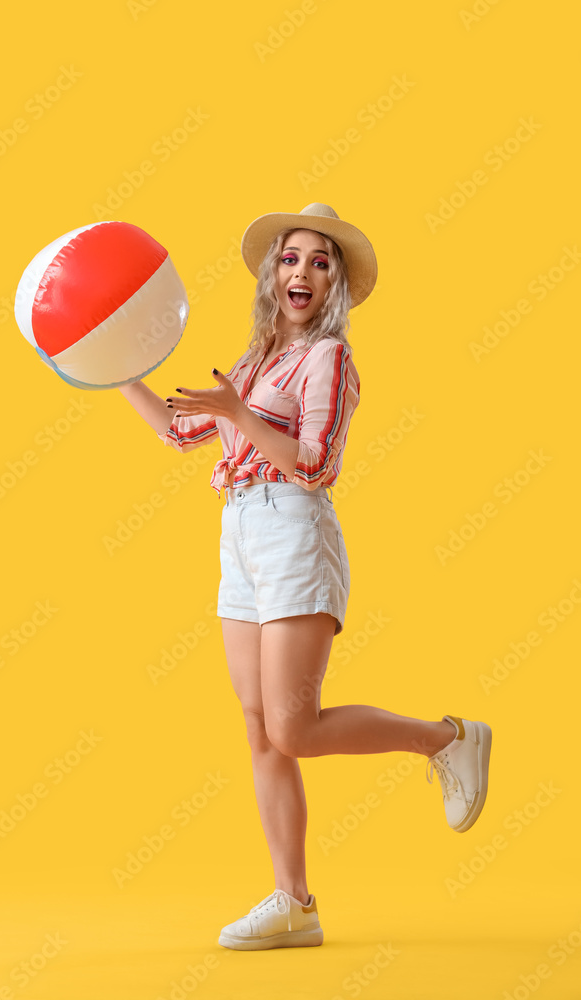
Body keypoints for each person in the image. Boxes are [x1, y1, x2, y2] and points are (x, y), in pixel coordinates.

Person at [118, 203, 492, 952]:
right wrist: (109, 366)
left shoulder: (329, 360)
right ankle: (295, 903)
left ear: (335, 286)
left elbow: (316, 464)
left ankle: (446, 739)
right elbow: (175, 430)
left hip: (293, 528)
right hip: (238, 532)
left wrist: (240, 415)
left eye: (320, 263)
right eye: (291, 258)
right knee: (260, 729)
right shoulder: (253, 362)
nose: (302, 271)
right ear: (271, 273)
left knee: (293, 727)